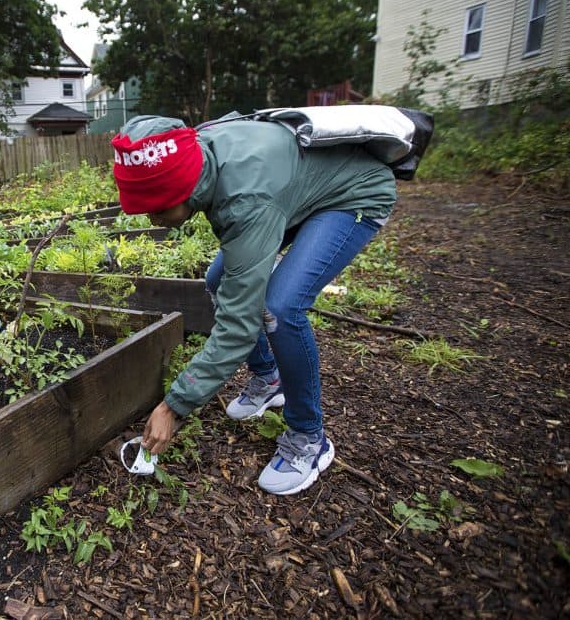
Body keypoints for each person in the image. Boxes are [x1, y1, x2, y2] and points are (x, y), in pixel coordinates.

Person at [111, 113, 396, 495]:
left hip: (351, 195)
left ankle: (309, 438)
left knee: (281, 306)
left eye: (155, 207)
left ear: (183, 187)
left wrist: (174, 406)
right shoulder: (200, 148)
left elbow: (238, 326)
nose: (150, 217)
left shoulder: (245, 203)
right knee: (216, 280)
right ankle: (269, 377)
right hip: (294, 191)